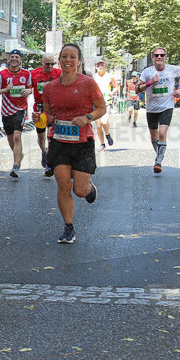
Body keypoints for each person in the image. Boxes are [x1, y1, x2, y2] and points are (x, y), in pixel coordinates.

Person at [42, 44, 106, 244]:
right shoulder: (50, 87)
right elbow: (48, 115)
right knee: (62, 185)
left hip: (82, 142)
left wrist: (87, 117)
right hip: (59, 141)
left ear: (79, 61)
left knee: (79, 190)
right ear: (59, 59)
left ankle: (89, 189)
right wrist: (40, 117)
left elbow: (102, 108)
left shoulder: (88, 83)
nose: (68, 60)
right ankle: (68, 227)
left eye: (72, 57)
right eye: (64, 56)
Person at [137, 47, 180, 174]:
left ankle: (158, 161)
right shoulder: (147, 72)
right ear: (153, 58)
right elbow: (137, 89)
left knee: (162, 133)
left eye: (162, 55)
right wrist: (150, 83)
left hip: (167, 106)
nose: (159, 57)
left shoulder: (173, 69)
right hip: (152, 108)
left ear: (165, 57)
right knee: (154, 136)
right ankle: (159, 155)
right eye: (157, 55)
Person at [0, 49, 33, 178]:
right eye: (12, 57)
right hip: (6, 110)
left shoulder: (26, 74)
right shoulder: (2, 75)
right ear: (9, 59)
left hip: (20, 108)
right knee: (10, 138)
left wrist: (28, 91)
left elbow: (30, 88)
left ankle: (15, 165)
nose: (14, 59)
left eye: (17, 57)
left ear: (20, 60)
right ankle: (18, 155)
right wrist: (5, 89)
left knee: (17, 137)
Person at [30, 52, 61, 178]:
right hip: (40, 108)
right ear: (42, 62)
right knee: (41, 138)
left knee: (51, 136)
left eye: (52, 64)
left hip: (54, 108)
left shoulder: (58, 73)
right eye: (47, 64)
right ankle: (44, 152)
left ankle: (49, 162)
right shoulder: (34, 74)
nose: (49, 66)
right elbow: (28, 86)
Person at [91, 59, 117, 151]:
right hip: (97, 103)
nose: (100, 67)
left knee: (104, 121)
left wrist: (112, 92)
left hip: (107, 101)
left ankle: (108, 134)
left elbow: (116, 87)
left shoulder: (109, 77)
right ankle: (102, 144)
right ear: (96, 67)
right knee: (98, 125)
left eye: (102, 65)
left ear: (105, 66)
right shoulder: (93, 77)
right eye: (98, 65)